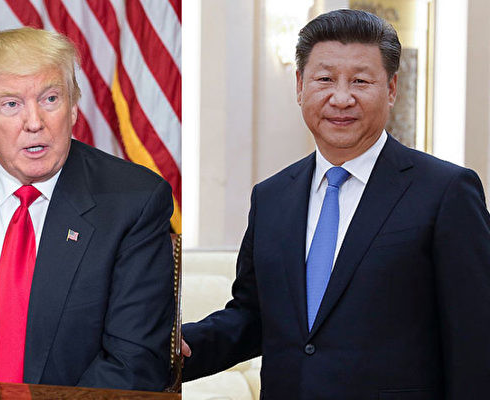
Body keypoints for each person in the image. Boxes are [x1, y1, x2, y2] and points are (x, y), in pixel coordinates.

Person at [182, 9, 490, 399]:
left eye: (360, 81)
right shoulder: (272, 197)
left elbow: (475, 341)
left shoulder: (446, 192)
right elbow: (253, 317)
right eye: (325, 79)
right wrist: (174, 345)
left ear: (392, 88)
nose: (341, 98)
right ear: (299, 86)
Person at [0, 27, 174, 391]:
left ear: (73, 108)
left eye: (51, 99)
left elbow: (132, 362)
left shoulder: (134, 201)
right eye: (11, 104)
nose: (34, 122)